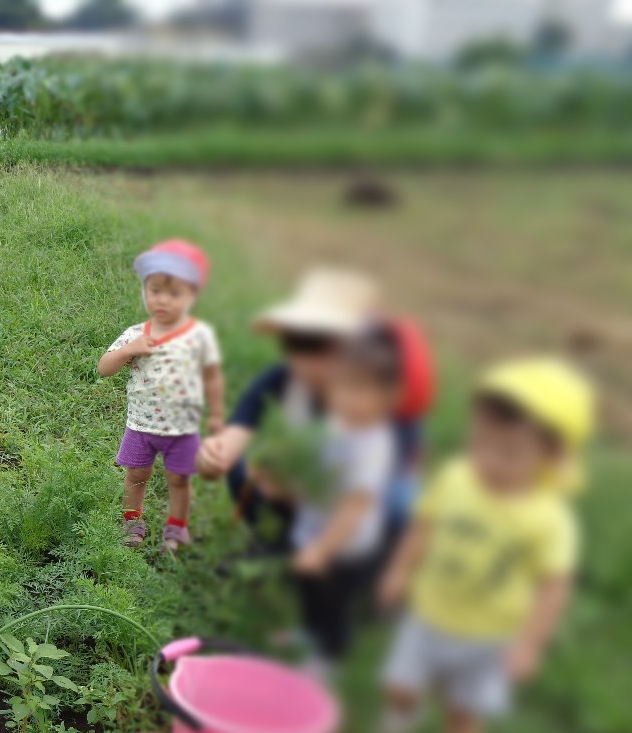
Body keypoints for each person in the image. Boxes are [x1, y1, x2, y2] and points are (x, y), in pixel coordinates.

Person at [378, 358, 592, 733]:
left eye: (509, 452)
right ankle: (406, 714)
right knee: (400, 686)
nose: (488, 460)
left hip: (490, 637)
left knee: (466, 712)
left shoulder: (548, 519)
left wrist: (529, 645)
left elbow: (554, 585)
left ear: (551, 454)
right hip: (428, 614)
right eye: (479, 443)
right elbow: (425, 524)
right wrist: (399, 571)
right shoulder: (458, 477)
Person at [196, 268, 434, 553]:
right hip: (304, 490)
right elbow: (238, 431)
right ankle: (275, 541)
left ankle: (354, 571)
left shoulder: (383, 401)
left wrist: (300, 492)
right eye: (295, 342)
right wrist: (212, 457)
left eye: (318, 344)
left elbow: (377, 490)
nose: (302, 358)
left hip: (357, 510)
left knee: (401, 506)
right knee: (244, 468)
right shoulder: (285, 378)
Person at [287, 327, 402, 678]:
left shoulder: (375, 445)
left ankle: (328, 658)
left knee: (332, 602)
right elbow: (315, 468)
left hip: (344, 547)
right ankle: (309, 633)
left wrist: (323, 549)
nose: (347, 398)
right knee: (308, 591)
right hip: (312, 529)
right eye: (341, 387)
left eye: (360, 390)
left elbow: (355, 506)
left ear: (388, 397)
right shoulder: (335, 423)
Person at [96, 239, 224, 552]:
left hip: (182, 429)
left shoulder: (199, 336)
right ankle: (132, 522)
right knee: (137, 475)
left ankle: (177, 528)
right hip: (141, 425)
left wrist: (218, 415)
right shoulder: (136, 334)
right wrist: (129, 350)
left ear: (192, 295)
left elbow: (212, 375)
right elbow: (103, 368)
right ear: (145, 291)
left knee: (180, 479)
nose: (162, 300)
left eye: (175, 293)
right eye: (155, 291)